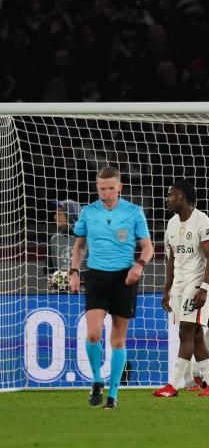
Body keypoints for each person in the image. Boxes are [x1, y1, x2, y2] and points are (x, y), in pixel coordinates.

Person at [69, 166, 154, 409]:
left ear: (120, 187)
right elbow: (80, 245)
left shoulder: (134, 212)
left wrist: (139, 265)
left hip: (124, 279)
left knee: (118, 339)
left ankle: (113, 395)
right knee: (93, 334)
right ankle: (97, 381)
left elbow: (148, 247)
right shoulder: (88, 212)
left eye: (110, 188)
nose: (105, 193)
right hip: (96, 277)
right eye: (101, 189)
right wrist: (74, 271)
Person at [153, 179, 209, 397]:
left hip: (197, 283)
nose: (168, 199)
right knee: (197, 334)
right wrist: (167, 289)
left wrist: (205, 288)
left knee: (186, 331)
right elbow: (171, 260)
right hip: (179, 286)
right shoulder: (172, 224)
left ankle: (173, 385)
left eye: (171, 195)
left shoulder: (202, 221)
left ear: (183, 196)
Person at [46, 199, 81, 289]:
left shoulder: (88, 239)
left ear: (70, 215)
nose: (55, 217)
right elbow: (48, 269)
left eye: (59, 214)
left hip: (85, 293)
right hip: (60, 294)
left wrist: (77, 278)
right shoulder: (54, 239)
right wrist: (53, 279)